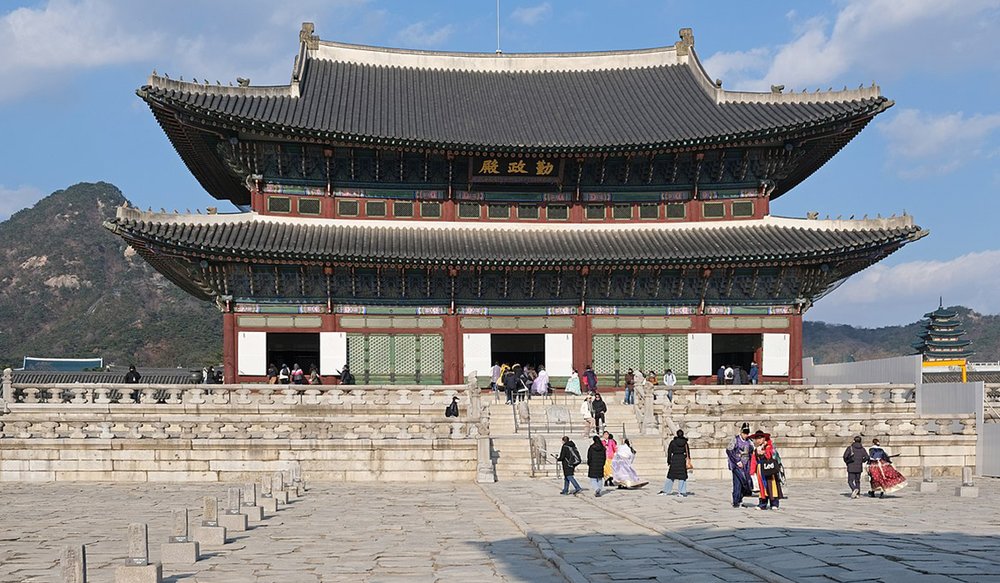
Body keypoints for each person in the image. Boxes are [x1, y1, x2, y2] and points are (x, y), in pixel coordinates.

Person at [749, 430, 783, 510]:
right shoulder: (756, 449)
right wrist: (752, 471)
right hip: (760, 469)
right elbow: (754, 460)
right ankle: (762, 504)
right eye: (756, 438)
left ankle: (774, 503)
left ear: (764, 438)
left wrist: (763, 452)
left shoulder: (769, 446)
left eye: (760, 438)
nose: (758, 440)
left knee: (772, 485)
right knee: (762, 487)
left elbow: (769, 456)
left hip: (769, 468)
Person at [726, 423, 754, 508]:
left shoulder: (749, 441)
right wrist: (737, 461)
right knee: (737, 483)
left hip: (746, 464)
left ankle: (741, 499)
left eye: (747, 433)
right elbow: (729, 450)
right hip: (737, 465)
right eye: (744, 433)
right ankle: (736, 501)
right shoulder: (736, 439)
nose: (746, 435)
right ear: (741, 432)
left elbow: (751, 451)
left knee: (745, 483)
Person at [660, 429, 691, 496]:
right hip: (682, 460)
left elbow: (669, 452)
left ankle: (666, 490)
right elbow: (688, 452)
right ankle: (682, 491)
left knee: (671, 476)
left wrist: (669, 461)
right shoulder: (685, 443)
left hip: (674, 459)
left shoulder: (673, 442)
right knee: (682, 476)